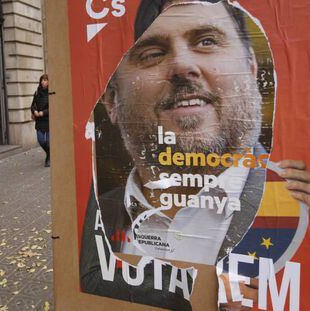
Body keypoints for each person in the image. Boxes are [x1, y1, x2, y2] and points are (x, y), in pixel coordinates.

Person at [80, 0, 310, 309]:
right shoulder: (98, 203)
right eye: (153, 54)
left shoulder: (297, 203)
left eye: (207, 41)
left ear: (252, 68)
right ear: (111, 100)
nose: (182, 66)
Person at [31, 74, 51, 167]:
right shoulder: (36, 92)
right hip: (39, 121)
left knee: (48, 142)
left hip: (48, 120)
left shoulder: (51, 93)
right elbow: (32, 105)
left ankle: (48, 159)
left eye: (45, 80)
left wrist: (44, 112)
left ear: (49, 82)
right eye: (42, 80)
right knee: (41, 141)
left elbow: (53, 107)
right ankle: (50, 154)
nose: (43, 82)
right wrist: (34, 111)